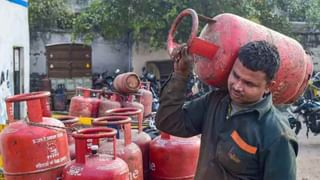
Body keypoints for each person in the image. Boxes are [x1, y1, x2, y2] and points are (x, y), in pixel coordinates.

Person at [155, 40, 298, 180]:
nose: (237, 86)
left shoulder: (278, 136)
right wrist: (181, 74)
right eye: (235, 75)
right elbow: (168, 122)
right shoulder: (216, 102)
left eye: (249, 83)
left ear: (268, 86)